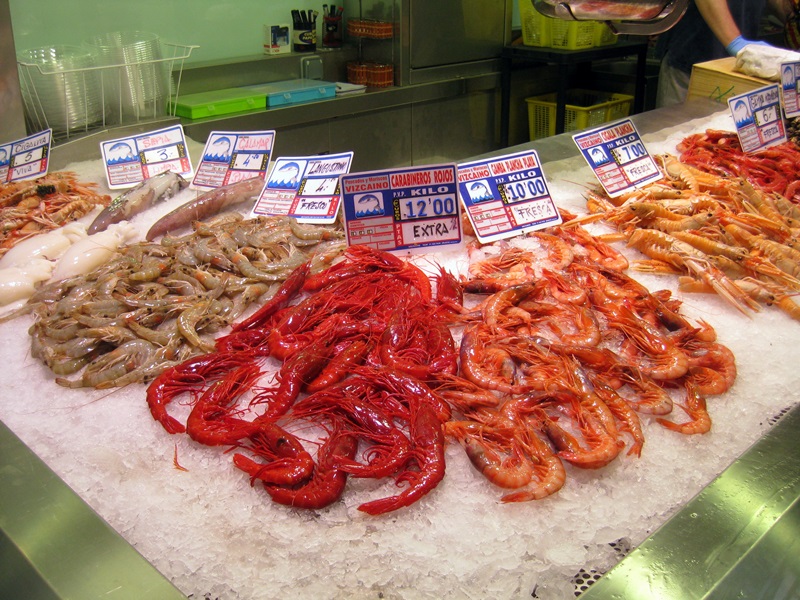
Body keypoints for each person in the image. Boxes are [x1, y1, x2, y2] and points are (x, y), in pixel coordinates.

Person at [655, 0, 786, 106]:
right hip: (691, 58)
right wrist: (735, 42)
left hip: (738, 68)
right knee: (679, 133)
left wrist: (789, 10)